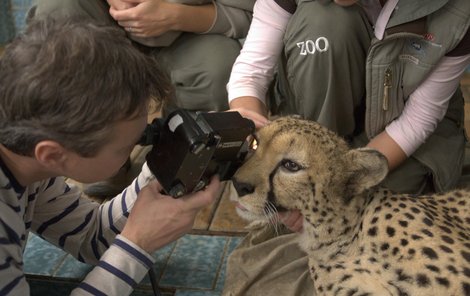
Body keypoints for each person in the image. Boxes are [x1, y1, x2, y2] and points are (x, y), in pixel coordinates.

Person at [223, 0, 470, 295]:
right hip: (318, 127)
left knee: (388, 232)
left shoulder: (458, 11)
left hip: (400, 132)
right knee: (325, 20)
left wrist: (339, 177)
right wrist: (247, 123)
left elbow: (420, 118)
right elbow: (251, 70)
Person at [0, 17, 220, 295]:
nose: (137, 148)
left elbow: (90, 235)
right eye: (126, 147)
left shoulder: (27, 159)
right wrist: (135, 248)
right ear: (53, 154)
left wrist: (163, 169)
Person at [29, 0, 254, 197]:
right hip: (99, 26)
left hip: (188, 39)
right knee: (58, 8)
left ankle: (180, 157)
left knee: (220, 65)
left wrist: (176, 16)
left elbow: (250, 15)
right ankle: (102, 152)